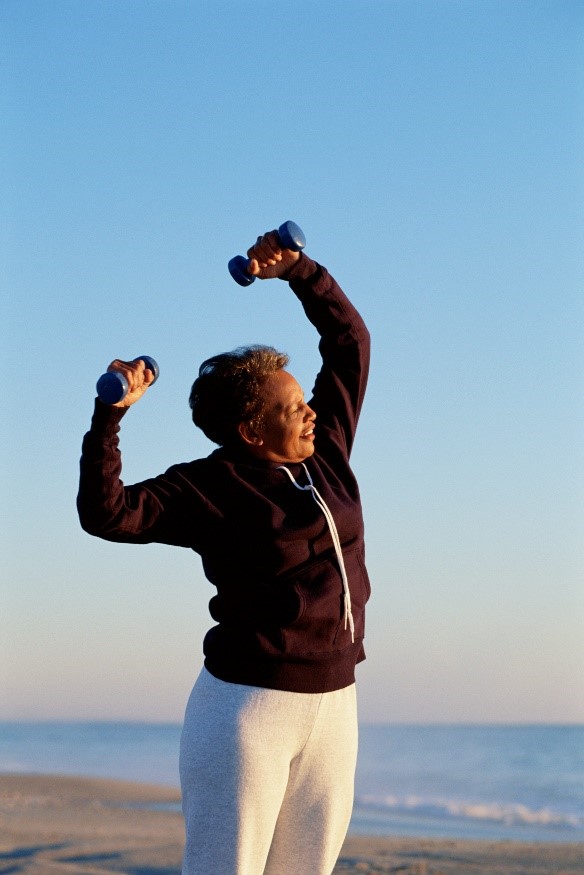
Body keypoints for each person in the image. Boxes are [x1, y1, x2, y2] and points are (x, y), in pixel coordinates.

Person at [77, 228, 371, 875]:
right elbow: (108, 512)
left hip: (336, 705)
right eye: (293, 407)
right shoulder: (209, 486)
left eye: (305, 400)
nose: (310, 412)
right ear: (249, 428)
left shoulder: (327, 455)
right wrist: (110, 419)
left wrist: (300, 271)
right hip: (247, 715)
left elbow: (350, 344)